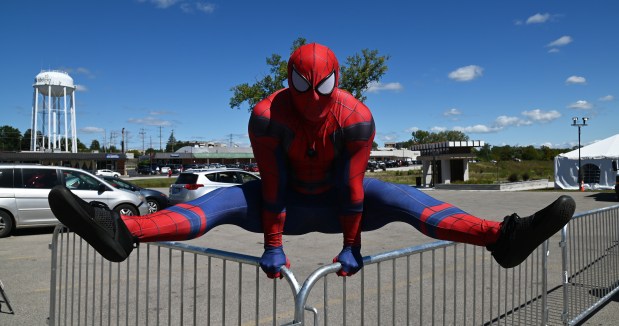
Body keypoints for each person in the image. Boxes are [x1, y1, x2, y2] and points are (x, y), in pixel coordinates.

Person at [48, 43, 575, 279]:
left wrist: (353, 249)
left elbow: (353, 188)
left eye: (321, 88)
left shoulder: (356, 117)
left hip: (339, 205)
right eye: (304, 87)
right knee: (220, 201)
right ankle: (124, 232)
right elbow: (271, 185)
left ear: (336, 82)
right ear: (290, 81)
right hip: (286, 204)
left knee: (398, 196)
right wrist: (273, 247)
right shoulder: (267, 115)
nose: (313, 100)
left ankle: (500, 237)